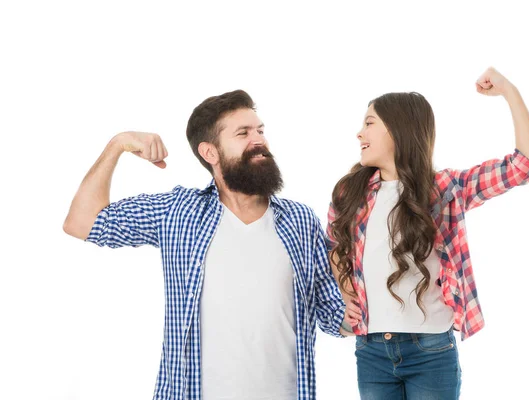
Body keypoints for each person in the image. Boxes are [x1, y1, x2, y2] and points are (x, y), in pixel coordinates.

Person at [63, 90, 356, 400]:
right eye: (243, 133)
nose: (259, 140)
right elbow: (82, 223)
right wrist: (117, 144)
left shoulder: (299, 219)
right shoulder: (178, 211)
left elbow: (333, 313)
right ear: (210, 153)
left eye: (260, 131)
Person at [327, 67, 529, 399]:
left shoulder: (446, 189)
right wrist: (344, 295)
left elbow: (526, 164)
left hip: (429, 351)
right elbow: (334, 250)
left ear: (398, 130)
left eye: (369, 123)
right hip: (371, 350)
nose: (359, 133)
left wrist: (509, 91)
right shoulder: (349, 192)